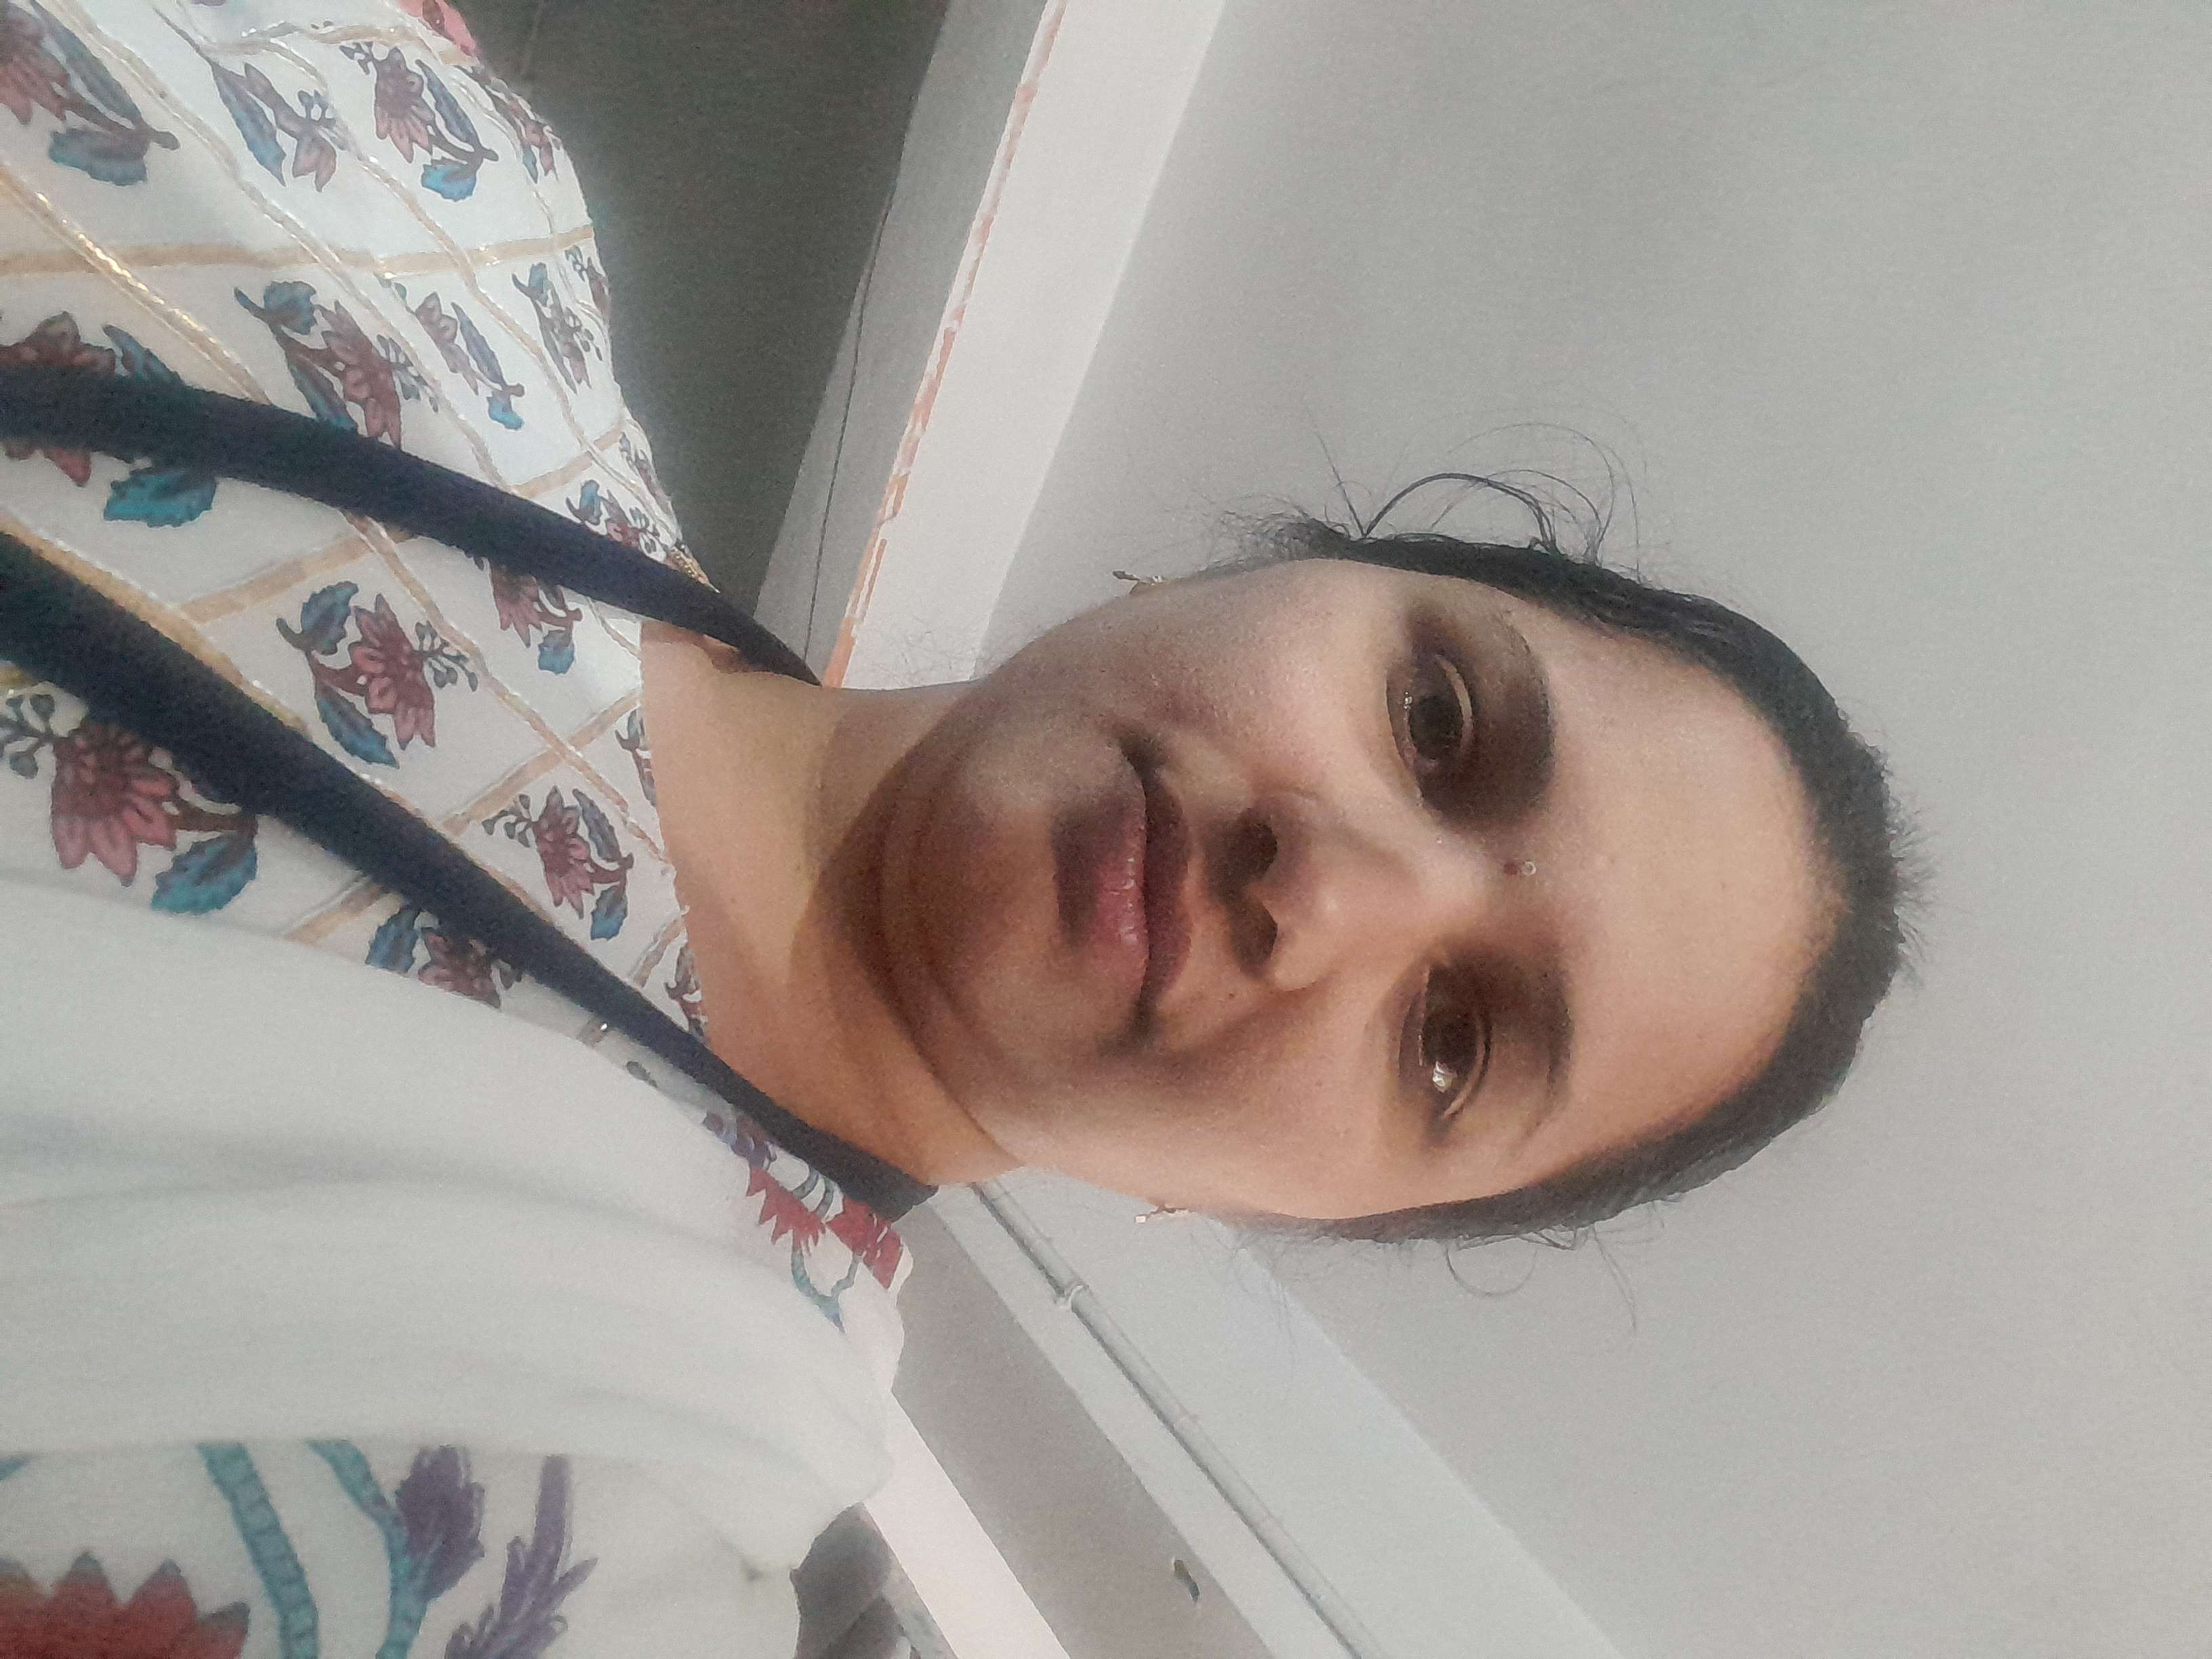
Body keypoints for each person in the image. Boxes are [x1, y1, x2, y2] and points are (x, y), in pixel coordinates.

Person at [0, 2, 1905, 1655]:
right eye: (1437, 723)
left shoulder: (606, 1526)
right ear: (1299, 565)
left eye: (1452, 1041)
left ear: (1318, 1214)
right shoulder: (469, 194)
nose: (1324, 888)